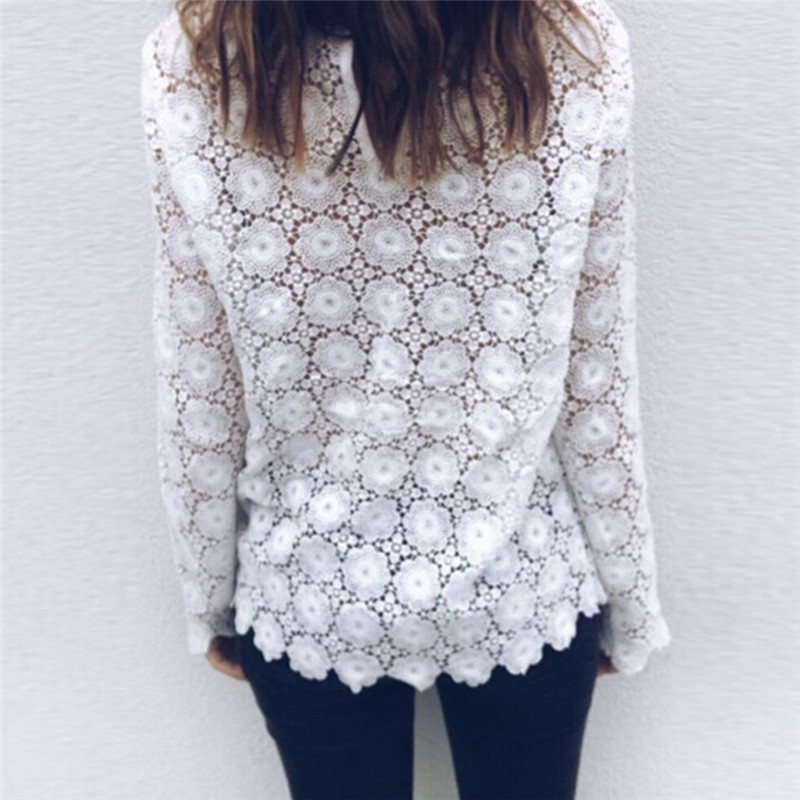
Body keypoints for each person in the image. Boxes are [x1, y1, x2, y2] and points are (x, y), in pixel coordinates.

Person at [140, 1, 671, 798]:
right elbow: (597, 371)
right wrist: (629, 600)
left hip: (310, 594)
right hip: (522, 587)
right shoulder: (574, 46)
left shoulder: (196, 61)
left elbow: (198, 386)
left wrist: (209, 598)